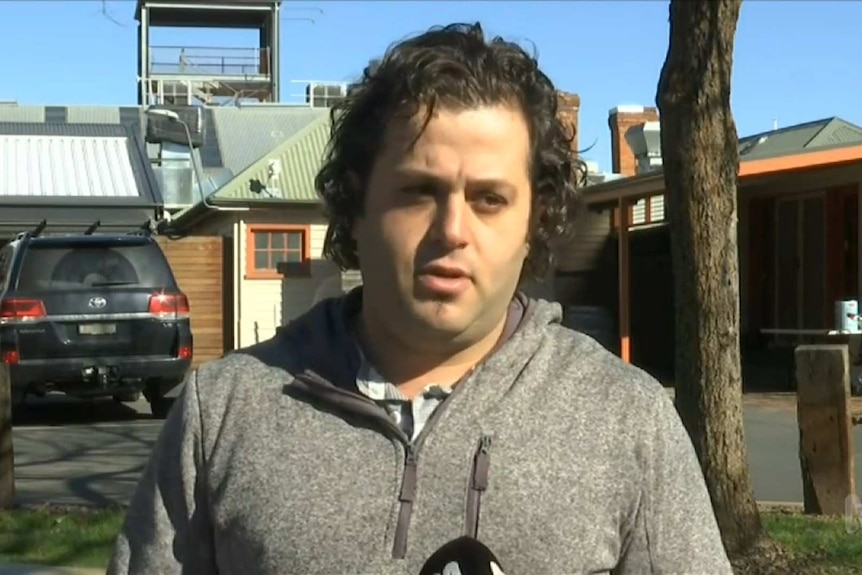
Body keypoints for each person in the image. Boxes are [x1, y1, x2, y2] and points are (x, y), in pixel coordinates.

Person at [108, 22, 732, 575]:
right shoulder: (222, 413)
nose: (452, 230)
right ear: (357, 205)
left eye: (489, 199)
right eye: (417, 192)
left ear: (534, 222)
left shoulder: (628, 421)